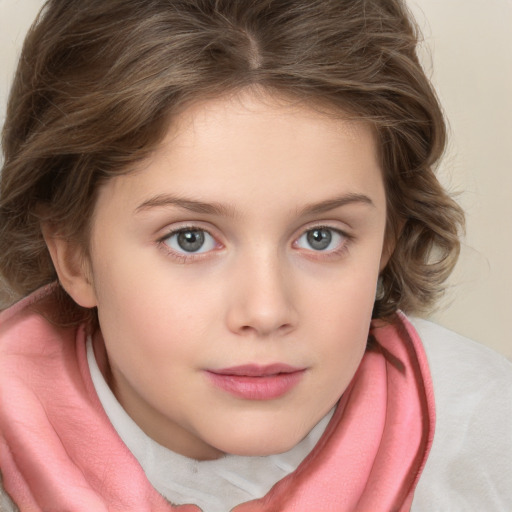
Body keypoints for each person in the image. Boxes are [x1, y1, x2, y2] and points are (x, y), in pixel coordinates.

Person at [0, 0, 510, 510]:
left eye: (321, 237)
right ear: (73, 254)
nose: (265, 312)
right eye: (190, 239)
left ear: (386, 241)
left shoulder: (485, 437)